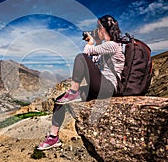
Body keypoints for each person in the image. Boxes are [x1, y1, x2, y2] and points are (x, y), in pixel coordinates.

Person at [37, 15, 125, 150]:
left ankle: (73, 92)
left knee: (80, 57)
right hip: (99, 86)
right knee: (60, 100)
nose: (96, 30)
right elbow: (91, 61)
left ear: (102, 29)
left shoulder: (113, 45)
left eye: (97, 27)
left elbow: (85, 55)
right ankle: (53, 137)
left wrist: (90, 42)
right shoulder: (106, 47)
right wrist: (92, 45)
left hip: (108, 87)